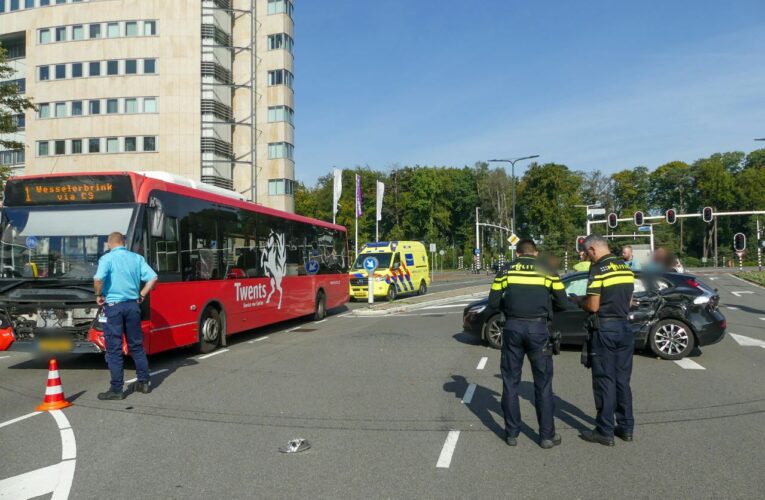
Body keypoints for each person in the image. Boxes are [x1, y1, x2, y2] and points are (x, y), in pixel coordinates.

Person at [488, 238, 571, 449]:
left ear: (517, 254)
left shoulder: (506, 271)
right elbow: (563, 303)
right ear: (535, 252)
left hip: (513, 328)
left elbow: (492, 303)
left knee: (510, 382)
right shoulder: (548, 270)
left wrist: (510, 305)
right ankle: (546, 436)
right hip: (538, 330)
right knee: (543, 384)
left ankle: (511, 433)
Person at [579, 234, 635, 446]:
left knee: (604, 380)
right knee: (623, 380)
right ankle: (626, 427)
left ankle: (604, 430)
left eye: (586, 252)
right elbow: (629, 301)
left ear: (593, 249)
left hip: (605, 329)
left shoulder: (598, 269)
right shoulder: (624, 267)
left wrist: (578, 302)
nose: (586, 256)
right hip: (624, 327)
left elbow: (593, 306)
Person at [94, 232, 158, 400]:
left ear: (109, 244)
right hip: (132, 306)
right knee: (136, 345)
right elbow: (153, 277)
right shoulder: (136, 258)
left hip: (114, 308)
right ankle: (144, 382)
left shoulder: (106, 259)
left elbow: (98, 280)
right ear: (124, 242)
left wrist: (99, 294)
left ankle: (116, 389)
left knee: (114, 349)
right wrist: (142, 294)